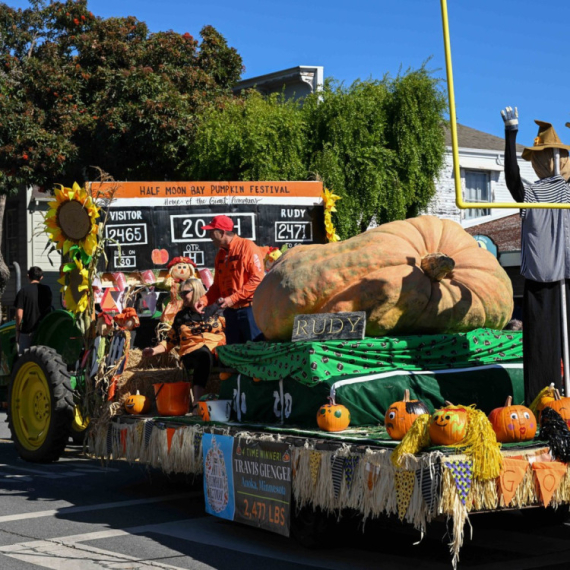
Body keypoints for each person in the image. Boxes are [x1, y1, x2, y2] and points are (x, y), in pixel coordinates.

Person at [501, 106, 570, 404]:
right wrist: (510, 133)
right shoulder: (531, 193)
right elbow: (512, 178)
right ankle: (542, 405)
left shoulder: (567, 192)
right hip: (540, 278)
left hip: (566, 274)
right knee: (540, 348)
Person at [142, 278, 225, 406]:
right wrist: (154, 351)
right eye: (180, 294)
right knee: (203, 355)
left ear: (196, 291)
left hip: (217, 349)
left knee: (226, 355)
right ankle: (197, 401)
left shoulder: (215, 310)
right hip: (192, 352)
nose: (182, 296)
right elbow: (170, 341)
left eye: (185, 293)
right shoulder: (181, 316)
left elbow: (229, 328)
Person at [195, 215, 265, 344]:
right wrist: (204, 300)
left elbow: (257, 280)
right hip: (230, 313)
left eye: (212, 232)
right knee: (234, 355)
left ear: (222, 233)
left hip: (249, 311)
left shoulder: (247, 247)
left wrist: (233, 299)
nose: (209, 236)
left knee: (255, 354)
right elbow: (217, 287)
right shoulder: (220, 255)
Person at [14, 266, 53, 356]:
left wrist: (17, 330)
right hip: (43, 331)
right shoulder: (47, 290)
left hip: (27, 332)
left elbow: (19, 315)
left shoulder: (23, 291)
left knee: (24, 361)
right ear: (41, 277)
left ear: (28, 276)